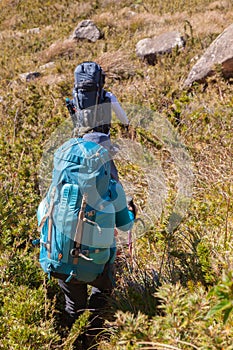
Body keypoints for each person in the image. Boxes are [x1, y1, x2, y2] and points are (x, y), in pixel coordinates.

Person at [58, 180, 136, 349]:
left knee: (73, 305)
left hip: (63, 260)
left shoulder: (59, 184)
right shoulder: (112, 187)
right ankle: (93, 336)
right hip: (98, 264)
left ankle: (73, 343)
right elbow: (125, 225)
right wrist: (130, 211)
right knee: (102, 291)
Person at [66, 61, 129, 182]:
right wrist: (127, 124)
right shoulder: (107, 96)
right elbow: (122, 116)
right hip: (102, 138)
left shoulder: (76, 99)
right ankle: (118, 197)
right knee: (112, 175)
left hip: (82, 140)